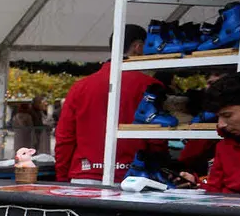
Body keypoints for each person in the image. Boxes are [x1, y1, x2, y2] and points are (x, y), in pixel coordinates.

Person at [55, 24, 163, 182]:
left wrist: (62, 177)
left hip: (84, 175)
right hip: (135, 177)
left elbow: (65, 138)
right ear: (138, 47)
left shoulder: (80, 87)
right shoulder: (150, 86)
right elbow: (157, 137)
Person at [182, 71, 240, 193]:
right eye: (218, 117)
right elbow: (214, 189)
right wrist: (196, 183)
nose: (221, 124)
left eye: (227, 115)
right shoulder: (225, 146)